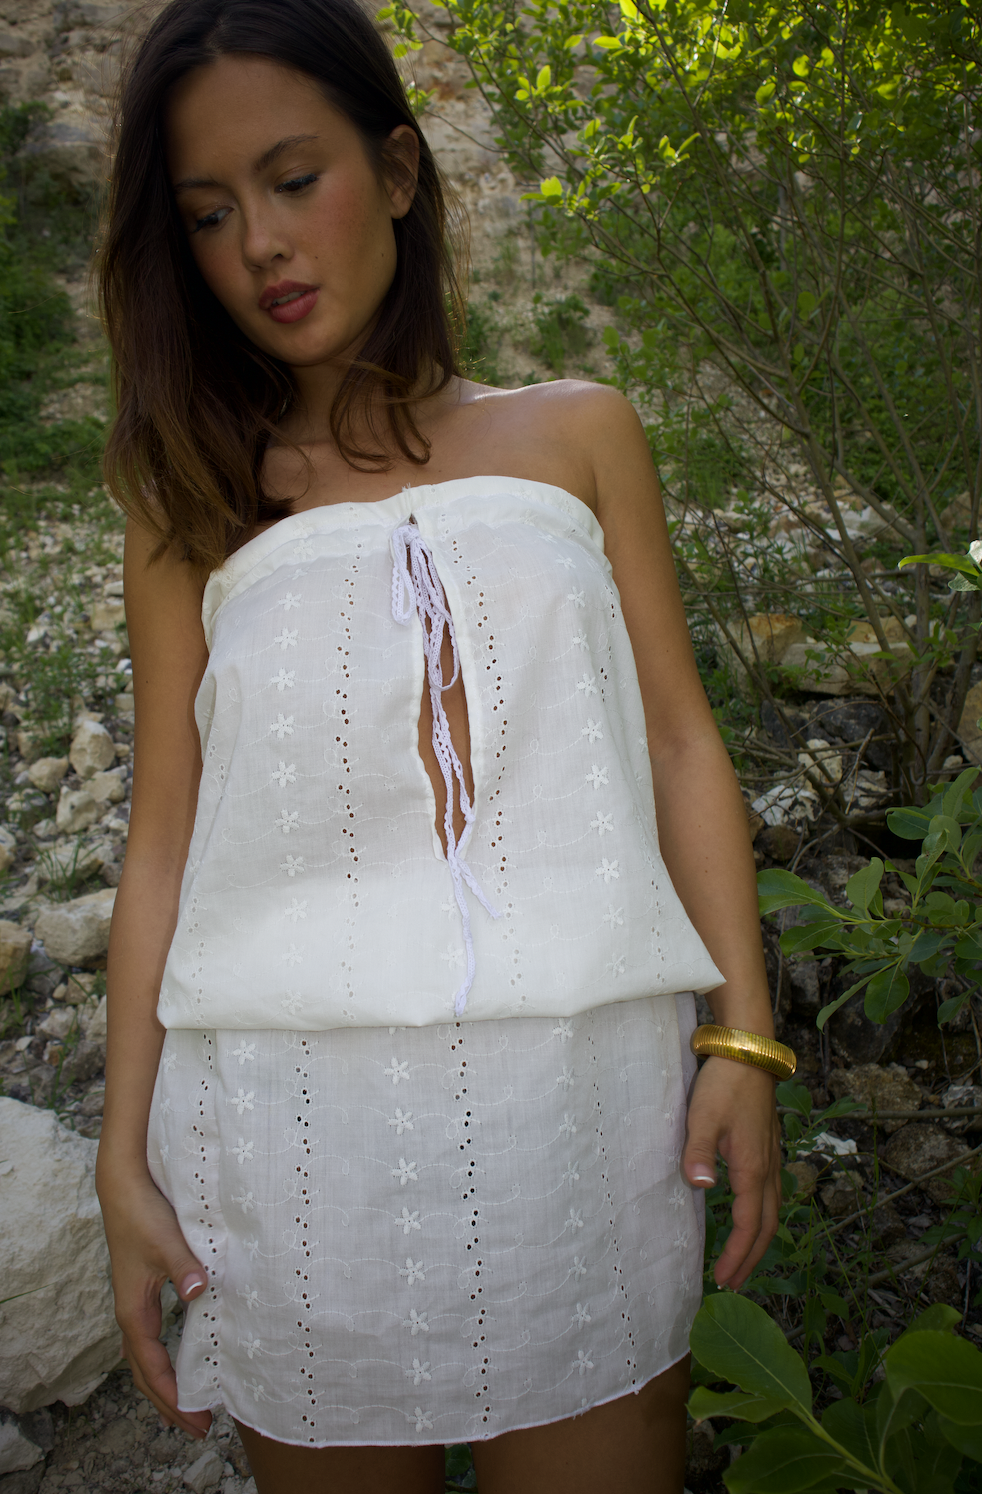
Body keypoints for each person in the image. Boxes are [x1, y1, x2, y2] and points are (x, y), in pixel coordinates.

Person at [94, 2, 788, 1490]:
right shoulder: (190, 499)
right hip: (291, 1139)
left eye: (296, 179)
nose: (260, 245)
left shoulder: (579, 434)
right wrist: (120, 1157)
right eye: (208, 214)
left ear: (399, 171)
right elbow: (162, 839)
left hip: (583, 1116)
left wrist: (741, 1036)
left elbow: (680, 742)